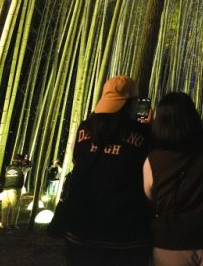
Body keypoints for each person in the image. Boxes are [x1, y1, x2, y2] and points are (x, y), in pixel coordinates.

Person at [62, 76, 152, 266]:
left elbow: (77, 162)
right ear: (133, 104)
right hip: (125, 236)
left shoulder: (84, 129)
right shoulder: (143, 134)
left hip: (81, 231)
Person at [143, 92, 203, 265]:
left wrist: (146, 133)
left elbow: (149, 196)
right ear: (193, 115)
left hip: (171, 242)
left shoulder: (154, 159)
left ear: (160, 121)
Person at [1, 154, 27, 229]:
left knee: (5, 208)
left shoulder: (8, 167)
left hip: (5, 189)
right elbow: (30, 167)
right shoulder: (21, 168)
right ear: (20, 160)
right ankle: (13, 224)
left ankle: (4, 224)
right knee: (15, 207)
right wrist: (26, 162)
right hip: (14, 189)